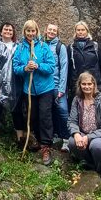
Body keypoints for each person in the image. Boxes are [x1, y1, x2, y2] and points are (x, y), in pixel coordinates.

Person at [12, 20, 56, 166]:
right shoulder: (20, 48)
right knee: (32, 116)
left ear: (37, 32)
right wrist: (25, 68)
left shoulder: (43, 47)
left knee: (45, 116)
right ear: (24, 32)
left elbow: (51, 67)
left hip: (45, 88)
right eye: (28, 31)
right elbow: (15, 67)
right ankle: (36, 140)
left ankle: (46, 146)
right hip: (29, 89)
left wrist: (38, 66)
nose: (31, 33)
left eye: (33, 31)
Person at [45, 23, 70, 151]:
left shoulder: (61, 47)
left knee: (63, 111)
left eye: (54, 30)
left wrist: (62, 88)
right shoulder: (42, 45)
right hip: (45, 86)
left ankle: (66, 139)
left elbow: (64, 68)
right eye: (50, 29)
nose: (52, 32)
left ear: (57, 33)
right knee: (50, 112)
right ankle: (54, 135)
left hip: (57, 85)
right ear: (46, 30)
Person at [68, 21, 101, 97]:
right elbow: (69, 69)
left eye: (83, 30)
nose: (80, 32)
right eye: (78, 30)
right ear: (75, 32)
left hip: (95, 84)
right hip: (78, 85)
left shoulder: (95, 46)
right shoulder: (71, 48)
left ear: (87, 31)